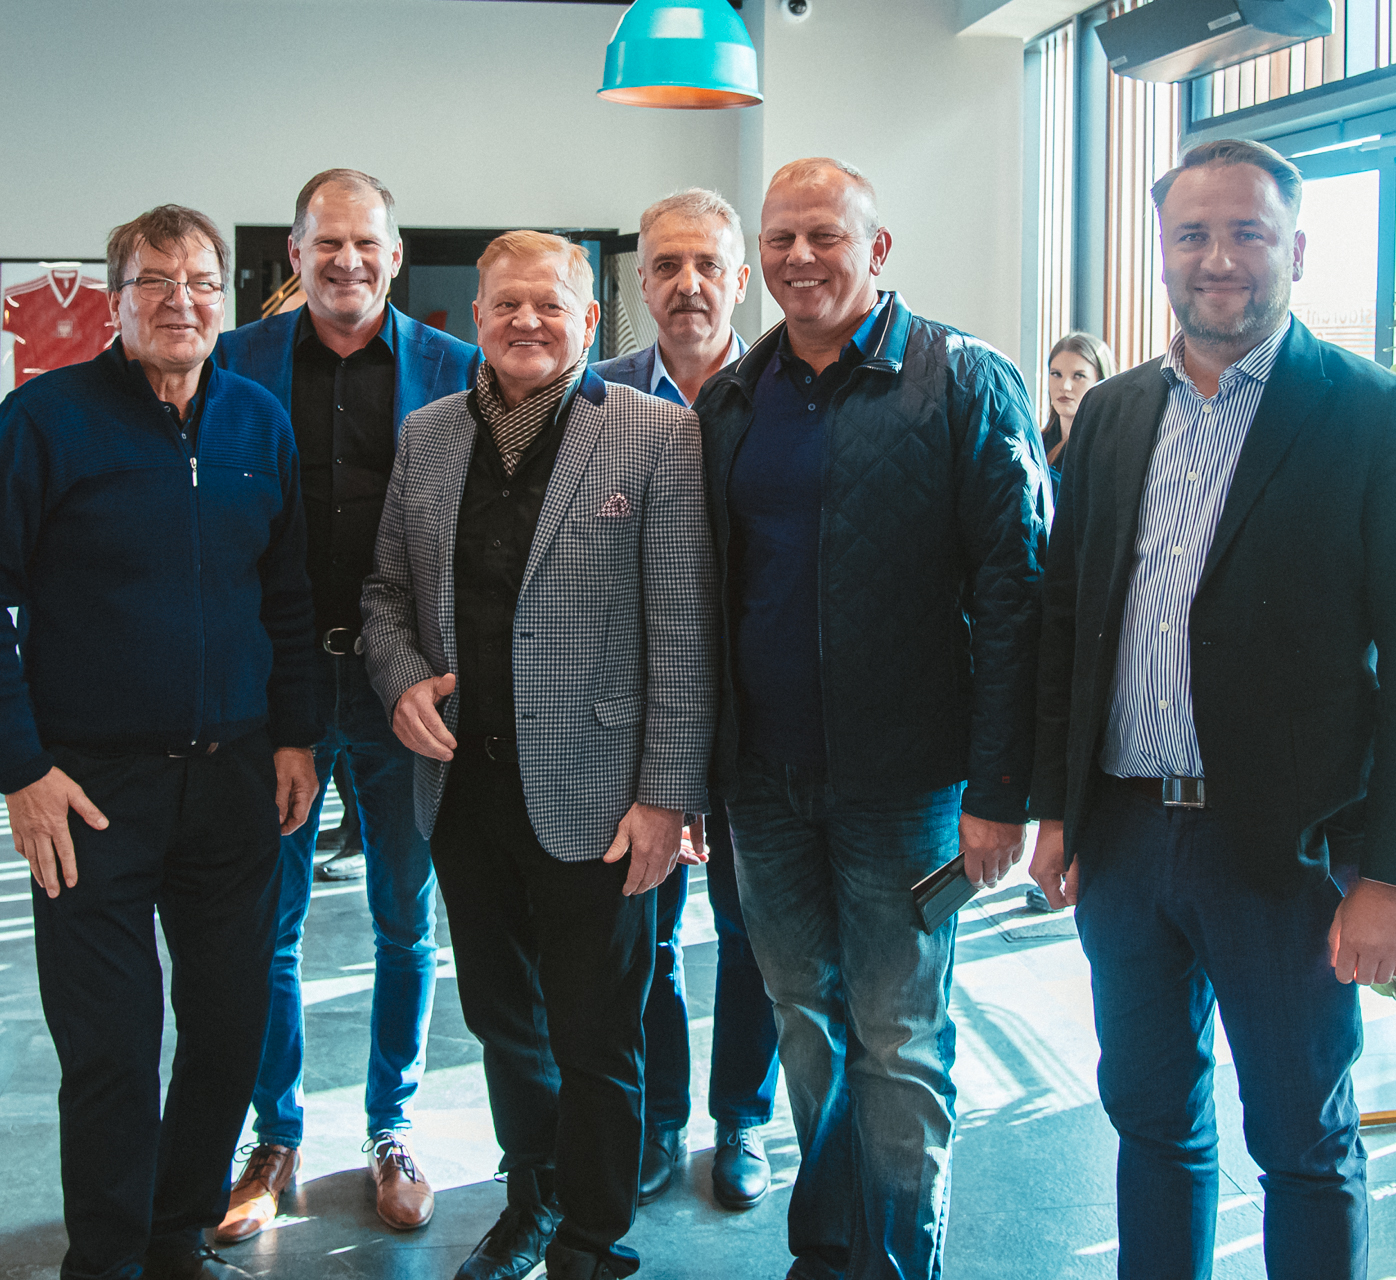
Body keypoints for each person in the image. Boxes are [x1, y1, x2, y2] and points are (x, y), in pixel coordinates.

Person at [1026, 138, 1396, 1280]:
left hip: (1287, 851)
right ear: (1162, 253)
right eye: (1193, 234)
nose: (1218, 258)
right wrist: (1056, 809)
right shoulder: (1112, 414)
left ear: (1297, 250)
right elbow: (1067, 623)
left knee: (1301, 1140)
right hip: (1127, 837)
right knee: (1150, 1121)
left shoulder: (1376, 415)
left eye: (1247, 233)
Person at [0, 203, 320, 1280]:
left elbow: (288, 595)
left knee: (229, 1027)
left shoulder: (257, 422)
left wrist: (296, 736)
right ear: (116, 301)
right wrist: (21, 770)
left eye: (200, 282)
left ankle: (173, 1234)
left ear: (225, 299)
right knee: (110, 1047)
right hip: (89, 790)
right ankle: (107, 1257)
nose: (180, 302)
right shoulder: (44, 421)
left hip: (234, 782)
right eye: (155, 281)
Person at [691, 158, 1048, 1280]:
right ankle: (830, 1246)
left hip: (910, 787)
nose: (800, 259)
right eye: (781, 239)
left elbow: (1019, 593)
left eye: (825, 236)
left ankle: (895, 1261)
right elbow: (715, 594)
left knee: (898, 1037)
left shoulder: (964, 381)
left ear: (877, 249)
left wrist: (1002, 791)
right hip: (764, 784)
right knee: (803, 1015)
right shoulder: (735, 398)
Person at [361, 229, 713, 1280]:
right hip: (463, 788)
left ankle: (595, 1240)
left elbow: (684, 628)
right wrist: (400, 678)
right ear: (475, 317)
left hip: (600, 799)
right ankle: (534, 1196)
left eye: (550, 305)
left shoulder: (656, 434)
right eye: (506, 304)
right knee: (500, 1016)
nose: (527, 321)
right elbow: (384, 592)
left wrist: (667, 798)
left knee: (599, 1035)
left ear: (590, 319)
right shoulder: (427, 436)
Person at [211, 168, 479, 1241]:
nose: (347, 260)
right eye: (327, 243)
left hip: (400, 685)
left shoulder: (456, 369)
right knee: (268, 924)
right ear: (295, 253)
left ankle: (392, 1127)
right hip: (274, 681)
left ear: (395, 255)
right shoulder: (235, 361)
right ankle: (273, 1135)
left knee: (404, 920)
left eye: (366, 242)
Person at [591, 188, 778, 1212]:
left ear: (740, 278)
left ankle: (741, 1118)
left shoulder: (790, 389)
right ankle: (659, 1117)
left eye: (707, 264)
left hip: (762, 727)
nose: (688, 284)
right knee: (645, 939)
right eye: (666, 265)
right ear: (640, 281)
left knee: (753, 936)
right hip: (640, 724)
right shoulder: (596, 398)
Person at [1042, 330, 1115, 486]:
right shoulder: (1033, 442)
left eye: (1079, 376)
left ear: (1101, 381)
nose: (1065, 386)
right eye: (1056, 374)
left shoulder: (1109, 449)